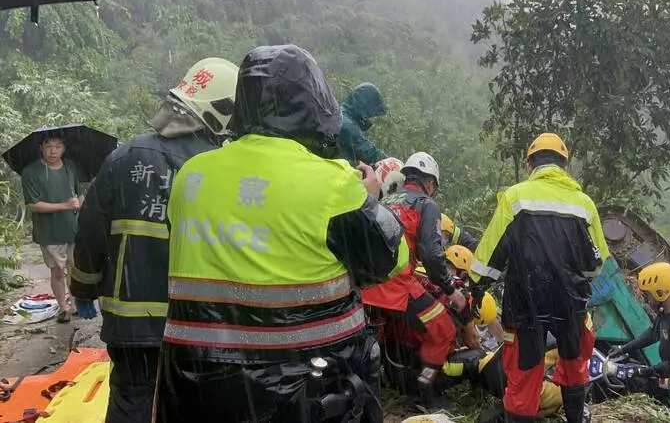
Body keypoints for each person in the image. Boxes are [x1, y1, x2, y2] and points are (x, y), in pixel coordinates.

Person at [153, 44, 410, 423]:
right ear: (312, 103)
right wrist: (371, 198)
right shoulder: (333, 184)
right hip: (308, 392)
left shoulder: (191, 175)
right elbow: (390, 260)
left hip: (197, 389)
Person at [67, 58, 239, 423]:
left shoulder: (126, 156)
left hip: (132, 322)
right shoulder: (225, 168)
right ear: (223, 111)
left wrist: (83, 288)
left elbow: (90, 231)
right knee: (192, 404)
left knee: (132, 400)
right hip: (199, 322)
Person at [468, 133, 609, 423]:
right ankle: (575, 418)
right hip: (570, 301)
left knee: (524, 371)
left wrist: (477, 287)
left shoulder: (516, 197)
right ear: (564, 166)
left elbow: (491, 252)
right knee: (573, 363)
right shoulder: (584, 204)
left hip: (524, 300)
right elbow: (597, 262)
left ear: (530, 164)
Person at [361, 152, 466, 407]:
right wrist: (451, 289)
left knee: (396, 331)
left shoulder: (386, 201)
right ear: (429, 183)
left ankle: (392, 384)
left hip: (368, 288)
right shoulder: (425, 203)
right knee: (443, 331)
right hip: (396, 287)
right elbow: (431, 254)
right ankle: (424, 394)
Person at [608, 262, 670, 411]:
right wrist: (623, 349)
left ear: (660, 292)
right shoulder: (667, 310)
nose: (646, 298)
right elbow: (653, 333)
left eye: (648, 294)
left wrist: (640, 371)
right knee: (640, 383)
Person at [21, 135, 83, 323]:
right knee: (57, 271)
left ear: (64, 149)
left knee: (75, 269)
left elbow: (79, 194)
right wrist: (65, 205)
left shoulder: (70, 166)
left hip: (73, 228)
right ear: (41, 148)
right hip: (50, 232)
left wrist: (79, 203)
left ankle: (74, 303)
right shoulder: (31, 172)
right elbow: (33, 205)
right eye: (49, 146)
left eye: (58, 146)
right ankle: (62, 308)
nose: (53, 151)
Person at [339, 82, 389, 166]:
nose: (369, 118)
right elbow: (367, 152)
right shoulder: (347, 125)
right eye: (370, 115)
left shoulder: (343, 116)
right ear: (363, 107)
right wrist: (391, 162)